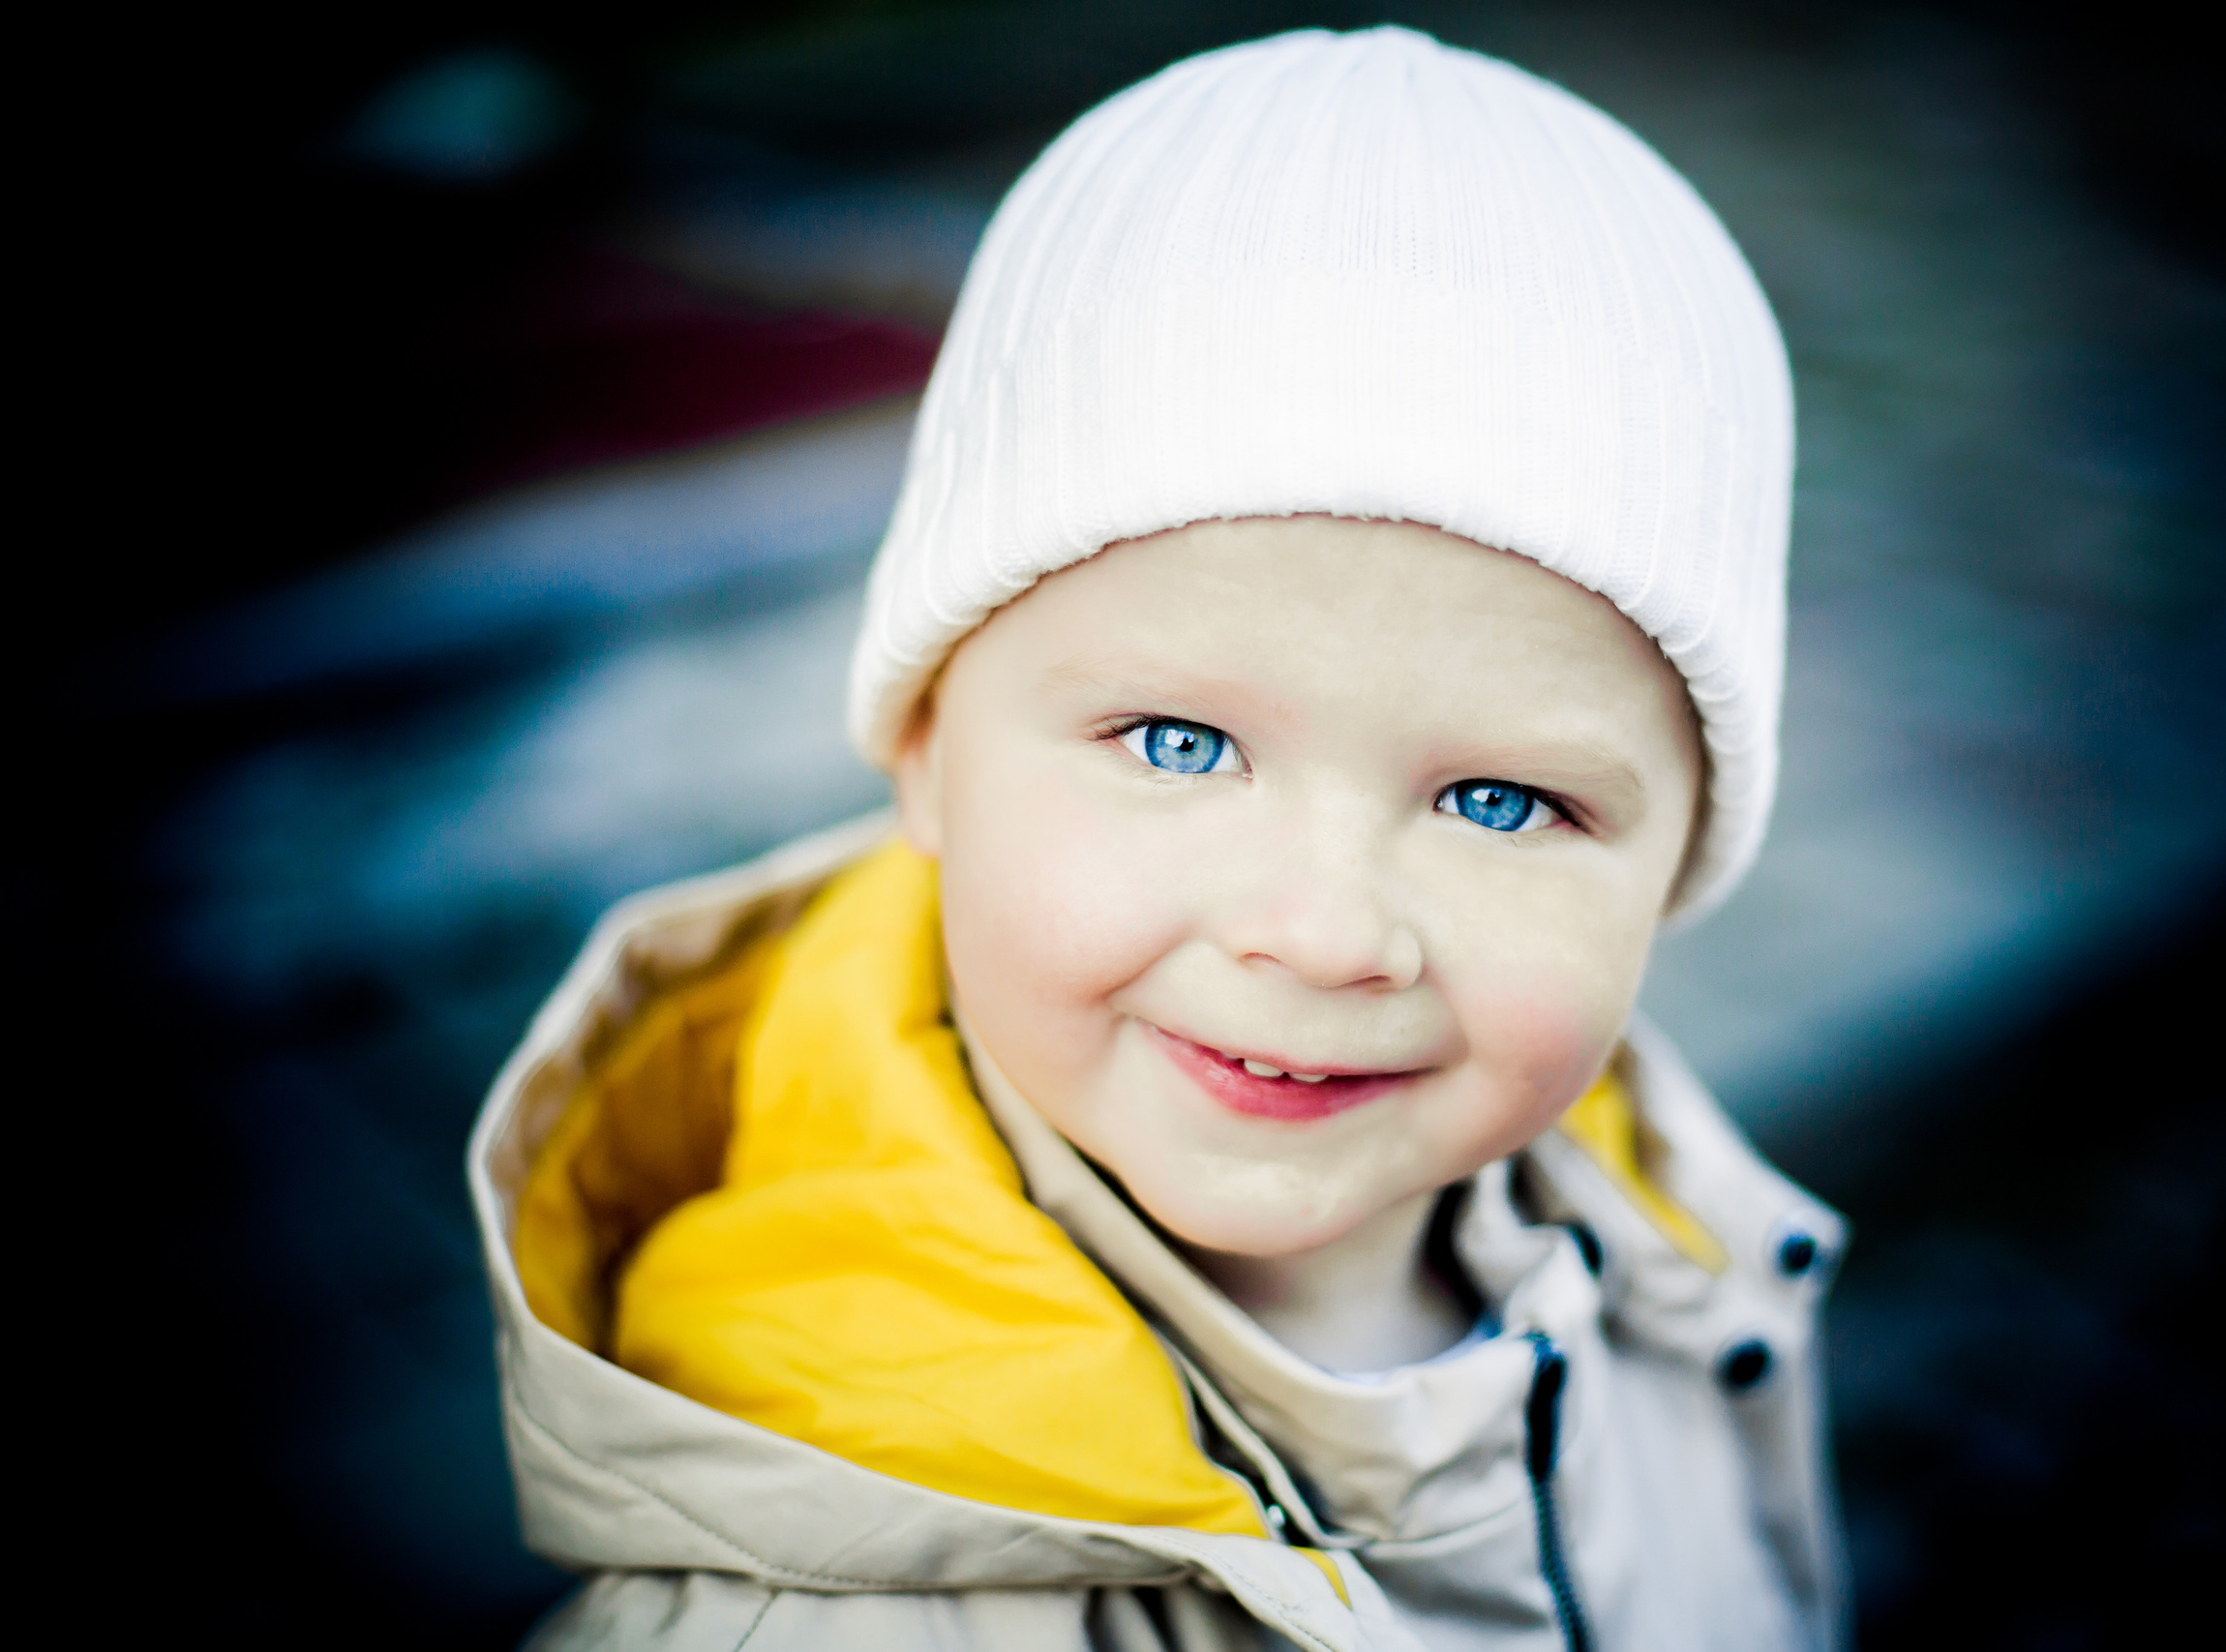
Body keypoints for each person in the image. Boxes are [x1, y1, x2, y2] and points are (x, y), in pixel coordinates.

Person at [474, 27, 1845, 1651]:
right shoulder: (819, 1622)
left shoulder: (1672, 1246)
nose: (1328, 931)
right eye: (1181, 745)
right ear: (923, 750)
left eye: (1500, 801)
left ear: (1680, 856)